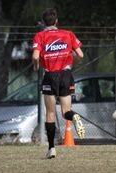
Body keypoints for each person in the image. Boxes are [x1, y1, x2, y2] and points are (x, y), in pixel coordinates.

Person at [32, 8, 85, 159]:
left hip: (50, 75)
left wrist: (36, 66)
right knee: (65, 111)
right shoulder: (68, 34)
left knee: (50, 113)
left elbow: (36, 57)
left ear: (43, 23)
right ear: (56, 21)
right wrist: (71, 63)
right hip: (66, 74)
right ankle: (74, 116)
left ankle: (51, 148)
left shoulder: (40, 36)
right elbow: (80, 54)